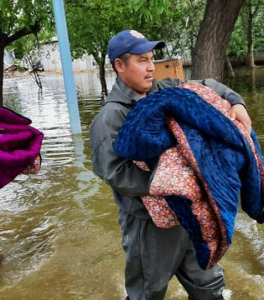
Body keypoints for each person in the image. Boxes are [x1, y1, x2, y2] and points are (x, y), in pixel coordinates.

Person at [89, 30, 252, 299]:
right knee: (147, 293)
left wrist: (236, 102)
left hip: (191, 216)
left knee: (209, 286)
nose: (151, 67)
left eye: (152, 59)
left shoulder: (169, 91)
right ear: (120, 65)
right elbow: (115, 172)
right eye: (142, 60)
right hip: (149, 228)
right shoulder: (110, 117)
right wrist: (174, 182)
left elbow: (207, 85)